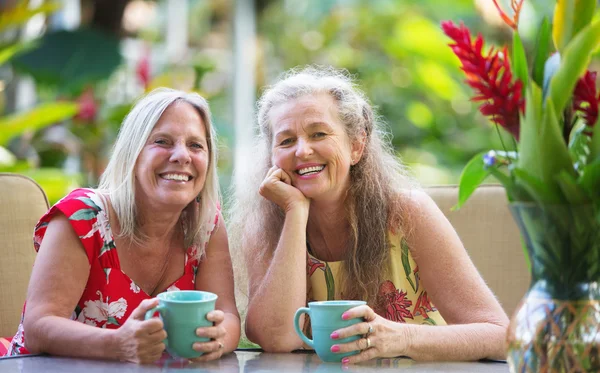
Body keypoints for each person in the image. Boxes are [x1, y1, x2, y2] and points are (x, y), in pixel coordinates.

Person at [232, 66, 508, 363]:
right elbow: (278, 338)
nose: (302, 151)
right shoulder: (265, 228)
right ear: (272, 157)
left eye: (319, 134)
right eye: (286, 141)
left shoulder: (407, 213)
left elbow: (500, 335)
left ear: (356, 145)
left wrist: (402, 337)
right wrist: (295, 212)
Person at [2, 88, 240, 363]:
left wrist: (217, 340)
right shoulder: (84, 217)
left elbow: (229, 316)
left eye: (196, 145)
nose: (182, 156)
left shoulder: (205, 224)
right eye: (162, 141)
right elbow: (39, 327)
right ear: (133, 153)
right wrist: (118, 344)